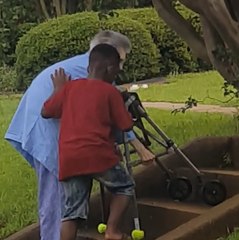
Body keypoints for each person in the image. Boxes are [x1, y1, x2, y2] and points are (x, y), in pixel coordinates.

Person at [4, 30, 154, 240]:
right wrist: (140, 147)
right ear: (112, 55)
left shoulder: (83, 68)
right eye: (121, 61)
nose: (122, 68)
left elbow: (51, 110)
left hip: (56, 136)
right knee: (56, 199)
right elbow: (120, 123)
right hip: (54, 134)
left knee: (68, 208)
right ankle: (109, 231)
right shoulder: (98, 77)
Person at [41, 43, 134, 240]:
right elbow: (126, 125)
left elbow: (46, 111)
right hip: (98, 155)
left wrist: (59, 89)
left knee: (71, 212)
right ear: (109, 67)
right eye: (117, 69)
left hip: (70, 159)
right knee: (124, 187)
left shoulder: (69, 89)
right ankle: (112, 231)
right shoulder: (110, 92)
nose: (117, 73)